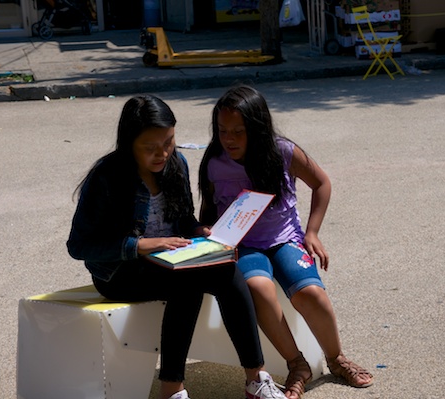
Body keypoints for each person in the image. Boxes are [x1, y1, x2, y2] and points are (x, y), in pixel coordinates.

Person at [67, 94, 288, 399]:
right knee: (187, 284)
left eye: (169, 142)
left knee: (226, 269)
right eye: (150, 148)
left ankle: (255, 377)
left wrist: (199, 230)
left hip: (172, 261)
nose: (163, 153)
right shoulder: (107, 177)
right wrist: (141, 245)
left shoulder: (176, 164)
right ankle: (172, 389)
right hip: (120, 273)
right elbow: (79, 246)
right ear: (129, 143)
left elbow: (182, 218)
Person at [198, 85, 374, 399]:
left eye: (239, 131)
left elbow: (321, 183)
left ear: (258, 128)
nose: (229, 139)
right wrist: (208, 230)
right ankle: (297, 364)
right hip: (245, 246)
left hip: (285, 240)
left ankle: (336, 358)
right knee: (259, 289)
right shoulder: (214, 162)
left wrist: (313, 232)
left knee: (310, 294)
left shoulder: (283, 151)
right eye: (223, 131)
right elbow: (208, 212)